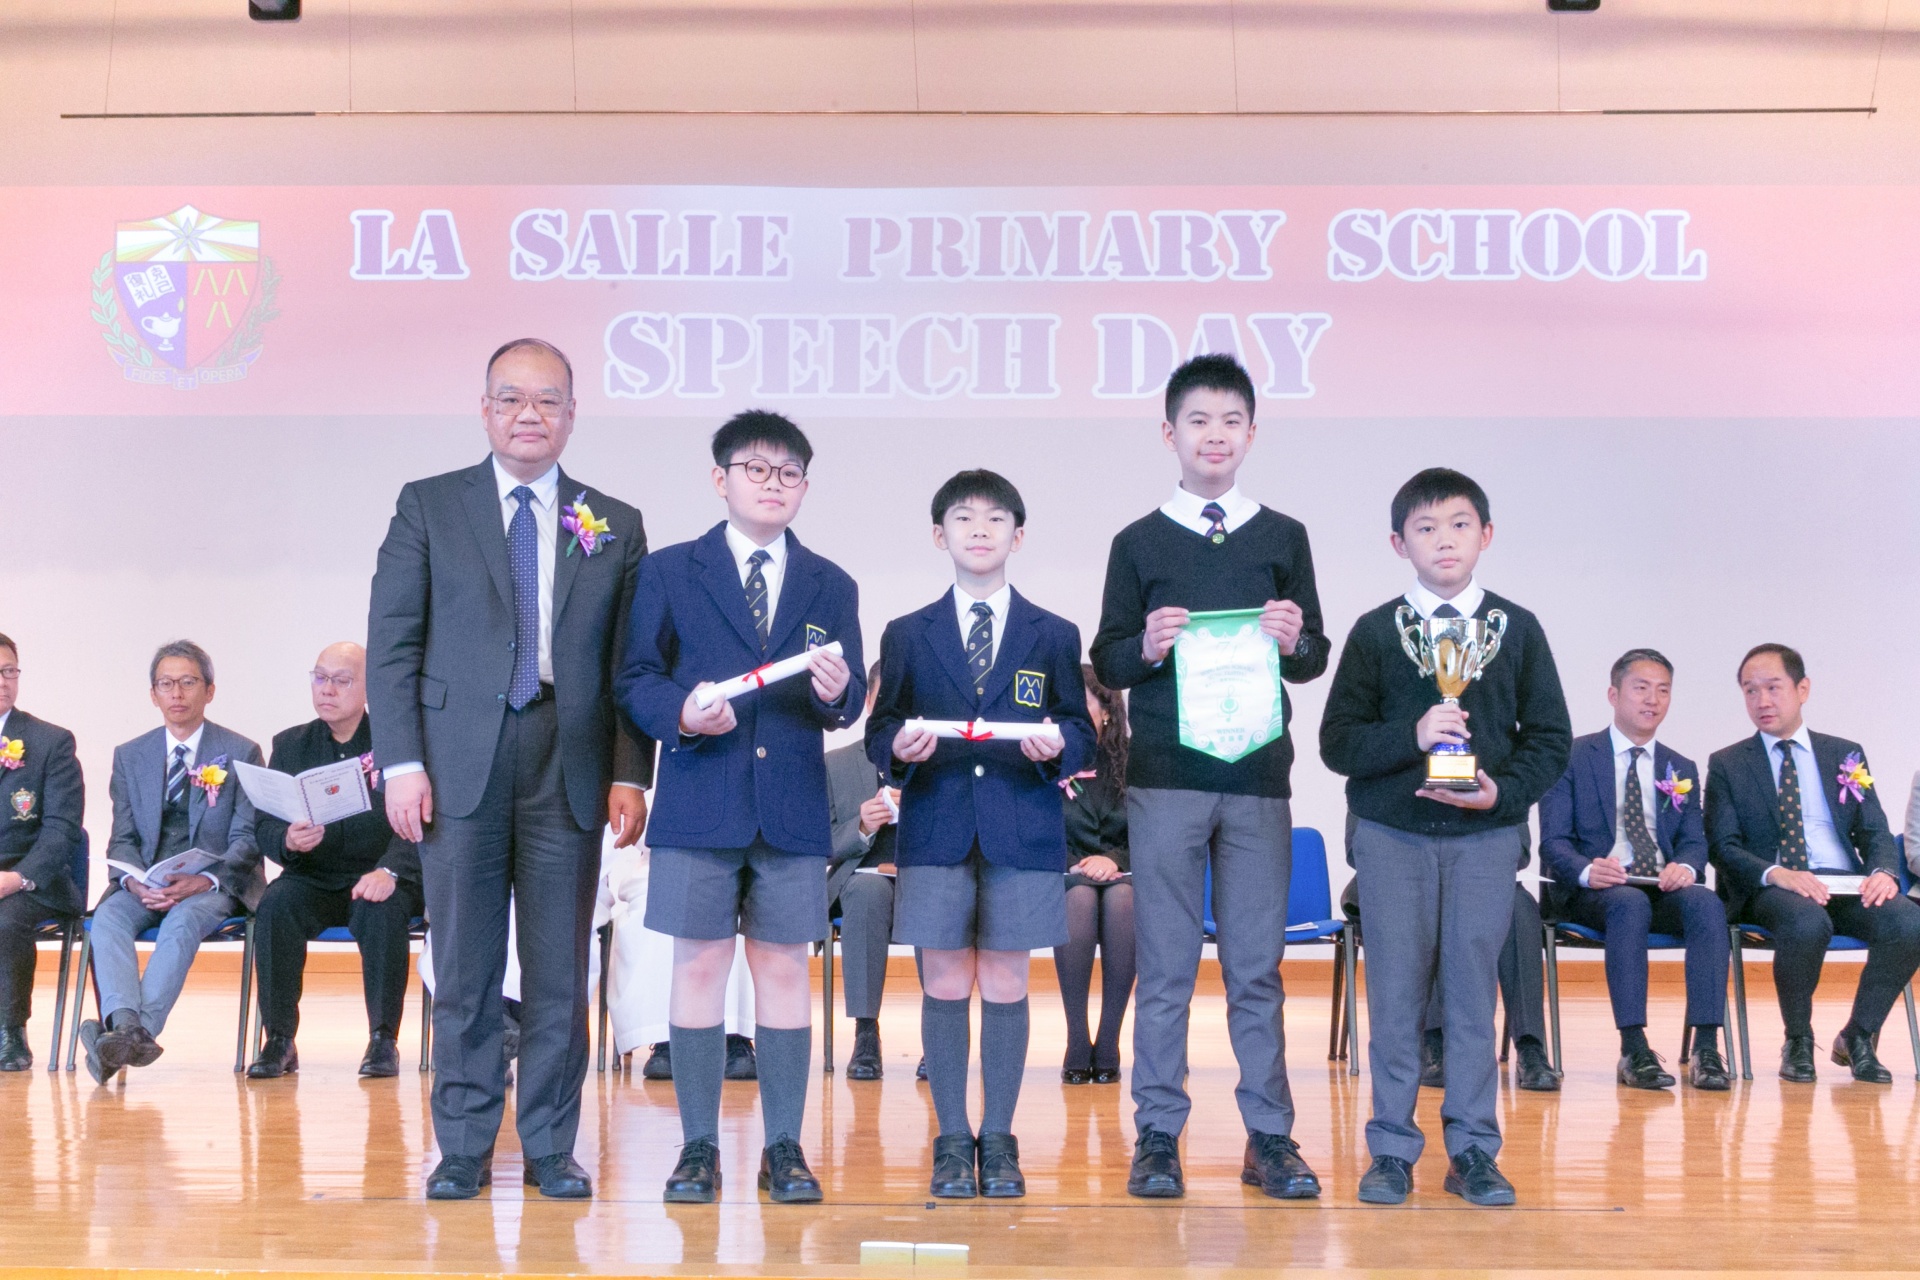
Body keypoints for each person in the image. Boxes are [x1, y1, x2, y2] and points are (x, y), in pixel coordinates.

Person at [367, 338, 652, 1201]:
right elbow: (393, 645)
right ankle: (461, 1145)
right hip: (457, 762)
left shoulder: (614, 520)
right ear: (485, 409)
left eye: (548, 400)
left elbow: (631, 663)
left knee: (562, 971)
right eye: (512, 399)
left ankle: (552, 1146)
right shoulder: (429, 505)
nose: (530, 415)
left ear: (572, 413)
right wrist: (402, 763)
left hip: (570, 759)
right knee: (465, 967)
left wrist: (630, 772)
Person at [1090, 353, 1329, 1202]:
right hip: (1167, 778)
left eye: (1231, 420)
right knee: (1165, 968)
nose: (1215, 435)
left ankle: (1270, 1137)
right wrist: (1145, 646)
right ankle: (1158, 1134)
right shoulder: (1138, 541)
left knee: (1256, 971)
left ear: (1252, 433)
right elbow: (1107, 658)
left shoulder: (1283, 535)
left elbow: (1312, 656)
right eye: (1199, 420)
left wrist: (1297, 638)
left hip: (1258, 778)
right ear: (1170, 433)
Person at [617, 409, 863, 1206]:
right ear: (719, 479)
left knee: (784, 973)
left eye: (788, 473)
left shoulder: (832, 583)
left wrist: (840, 693)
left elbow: (847, 699)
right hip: (700, 801)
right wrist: (682, 715)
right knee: (697, 970)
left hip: (790, 808)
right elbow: (636, 679)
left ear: (805, 488)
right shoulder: (670, 571)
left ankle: (784, 1145)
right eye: (756, 469)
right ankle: (698, 1148)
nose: (772, 484)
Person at [1320, 468, 1570, 1207]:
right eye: (1425, 528)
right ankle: (1390, 1149)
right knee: (1396, 998)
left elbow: (1549, 738)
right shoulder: (1375, 631)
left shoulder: (1516, 628)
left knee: (1471, 996)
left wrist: (1503, 793)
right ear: (1399, 544)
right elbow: (1337, 743)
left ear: (1485, 535)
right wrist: (1414, 733)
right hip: (1392, 837)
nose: (1444, 540)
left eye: (1459, 524)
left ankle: (1473, 1149)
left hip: (1484, 838)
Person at [868, 469, 1093, 1199]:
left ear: (1018, 537)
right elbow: (880, 728)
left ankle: (999, 1138)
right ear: (940, 535)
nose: (979, 530)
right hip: (935, 827)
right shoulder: (908, 632)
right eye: (963, 518)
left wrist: (1059, 747)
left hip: (1021, 829)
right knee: (941, 981)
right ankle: (950, 1139)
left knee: (1004, 981)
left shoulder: (1053, 633)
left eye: (996, 519)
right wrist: (896, 750)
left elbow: (1080, 729)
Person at [1704, 643, 1920, 1084]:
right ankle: (1798, 1039)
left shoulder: (1844, 753)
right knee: (1806, 922)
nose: (1762, 700)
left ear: (1802, 689)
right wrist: (1776, 873)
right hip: (1773, 887)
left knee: (1909, 921)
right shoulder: (1728, 763)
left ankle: (1859, 1035)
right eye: (1750, 690)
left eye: (1773, 687)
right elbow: (1722, 846)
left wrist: (1882, 872)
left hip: (1843, 882)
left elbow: (1874, 830)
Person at [1538, 648, 1731, 1091]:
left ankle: (1705, 1047)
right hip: (1596, 892)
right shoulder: (1572, 756)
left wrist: (1686, 866)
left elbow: (1694, 840)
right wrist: (1587, 870)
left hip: (1660, 887)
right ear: (1613, 694)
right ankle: (1634, 1047)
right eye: (1641, 688)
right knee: (1628, 904)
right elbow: (1553, 841)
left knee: (1706, 903)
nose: (1652, 700)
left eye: (1663, 691)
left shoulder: (1679, 767)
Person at [82, 640, 264, 1085]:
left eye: (188, 682)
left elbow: (246, 839)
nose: (177, 693)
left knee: (182, 922)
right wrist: (132, 882)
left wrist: (203, 880)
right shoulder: (131, 755)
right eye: (166, 684)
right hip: (147, 883)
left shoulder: (241, 751)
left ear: (210, 690)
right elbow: (123, 836)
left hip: (213, 884)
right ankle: (129, 1028)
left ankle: (129, 1032)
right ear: (153, 694)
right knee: (108, 918)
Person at [246, 642, 424, 1080]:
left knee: (380, 910)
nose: (327, 689)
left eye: (341, 680)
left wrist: (391, 870)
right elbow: (264, 824)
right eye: (320, 678)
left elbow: (426, 816)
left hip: (381, 874)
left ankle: (383, 1040)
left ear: (369, 687)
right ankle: (279, 1039)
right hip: (314, 875)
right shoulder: (291, 744)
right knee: (275, 905)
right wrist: (287, 840)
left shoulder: (398, 741)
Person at [0, 633, 84, 1072]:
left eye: (8, 671)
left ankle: (9, 1031)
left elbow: (62, 831)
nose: (2, 681)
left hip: (34, 880)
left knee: (5, 918)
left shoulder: (50, 741)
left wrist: (17, 878)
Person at [1056, 663, 1135, 1085]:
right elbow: (1035, 825)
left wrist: (1114, 860)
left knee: (1123, 899)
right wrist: (1075, 862)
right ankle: (1076, 1037)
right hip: (1067, 872)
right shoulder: (1048, 758)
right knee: (1080, 899)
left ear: (1106, 711)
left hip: (1125, 872)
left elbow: (1151, 827)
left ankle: (1108, 1041)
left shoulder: (1134, 759)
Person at [825, 660, 899, 1080]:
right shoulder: (836, 763)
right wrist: (862, 826)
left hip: (923, 873)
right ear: (869, 701)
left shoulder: (939, 762)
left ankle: (938, 1040)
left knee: (938, 890)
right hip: (862, 879)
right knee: (868, 893)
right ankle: (866, 1032)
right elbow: (820, 841)